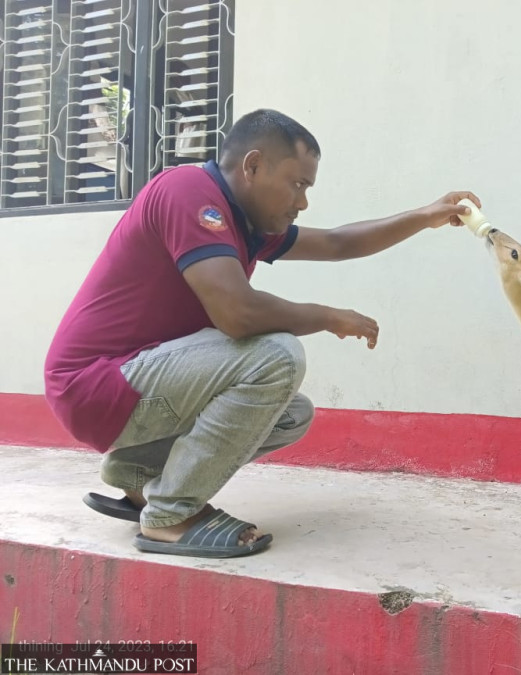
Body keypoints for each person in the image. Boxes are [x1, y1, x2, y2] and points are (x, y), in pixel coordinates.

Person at [44, 109, 480, 558]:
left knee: (291, 414)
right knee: (277, 355)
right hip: (95, 384)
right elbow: (237, 313)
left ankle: (137, 473)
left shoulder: (243, 222)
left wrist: (426, 215)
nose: (303, 201)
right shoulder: (188, 191)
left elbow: (337, 242)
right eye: (297, 184)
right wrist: (328, 316)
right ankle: (172, 514)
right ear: (252, 166)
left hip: (137, 384)